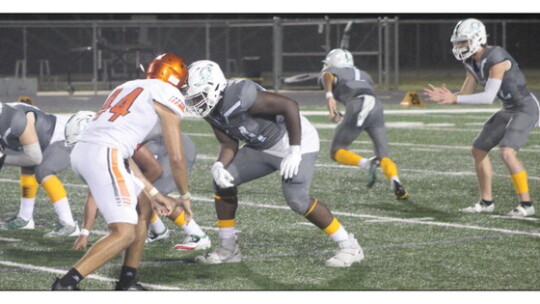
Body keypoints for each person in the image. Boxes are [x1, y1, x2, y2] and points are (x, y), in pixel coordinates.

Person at [184, 60, 364, 267]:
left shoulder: (240, 94)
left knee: (297, 200)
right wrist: (218, 165)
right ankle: (228, 248)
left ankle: (349, 245)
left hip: (295, 140)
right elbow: (228, 142)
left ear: (214, 86)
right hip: (261, 146)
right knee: (223, 181)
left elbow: (289, 106)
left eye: (198, 96)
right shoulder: (211, 108)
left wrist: (295, 152)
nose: (195, 103)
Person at [51, 53, 193, 291]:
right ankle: (66, 285)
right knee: (124, 233)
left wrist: (152, 191)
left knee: (144, 204)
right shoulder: (167, 93)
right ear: (176, 78)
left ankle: (128, 280)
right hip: (105, 153)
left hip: (90, 151)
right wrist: (186, 197)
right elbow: (177, 157)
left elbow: (123, 152)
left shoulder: (126, 86)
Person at [423, 18, 539, 217]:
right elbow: (466, 92)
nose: (459, 46)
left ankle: (527, 204)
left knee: (507, 152)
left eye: (463, 42)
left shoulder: (497, 57)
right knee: (478, 150)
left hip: (525, 107)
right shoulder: (471, 62)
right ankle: (487, 202)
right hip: (509, 108)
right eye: (457, 42)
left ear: (477, 39)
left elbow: (487, 97)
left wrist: (454, 100)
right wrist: (450, 96)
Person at [64, 112, 210, 250]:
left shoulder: (115, 139)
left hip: (175, 150)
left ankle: (198, 235)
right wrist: (84, 234)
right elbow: (93, 195)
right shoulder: (104, 144)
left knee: (144, 195)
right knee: (133, 192)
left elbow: (154, 169)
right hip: (157, 152)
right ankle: (158, 231)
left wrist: (144, 192)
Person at [320, 48, 408, 199]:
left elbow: (328, 76)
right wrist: (342, 116)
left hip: (358, 105)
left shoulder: (332, 72)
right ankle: (396, 182)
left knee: (336, 151)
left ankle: (367, 164)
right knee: (383, 155)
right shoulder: (364, 75)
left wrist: (329, 96)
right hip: (376, 106)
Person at [0, 100, 79, 236]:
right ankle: (25, 218)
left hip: (63, 135)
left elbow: (34, 157)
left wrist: (3, 159)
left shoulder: (17, 119)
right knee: (27, 165)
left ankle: (69, 225)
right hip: (42, 140)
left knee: (43, 170)